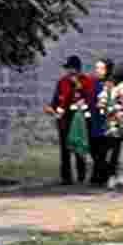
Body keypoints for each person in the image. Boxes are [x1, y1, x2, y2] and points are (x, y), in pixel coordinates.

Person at [43, 55, 93, 185]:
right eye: (68, 69)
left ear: (77, 68)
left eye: (71, 68)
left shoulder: (86, 81)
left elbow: (89, 97)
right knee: (65, 148)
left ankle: (81, 175)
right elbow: (56, 98)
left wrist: (78, 85)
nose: (69, 71)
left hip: (79, 118)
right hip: (64, 119)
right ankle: (66, 177)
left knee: (78, 146)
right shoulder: (62, 82)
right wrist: (51, 107)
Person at [87, 59, 118, 189]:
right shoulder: (93, 83)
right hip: (93, 121)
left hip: (105, 123)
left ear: (107, 70)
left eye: (100, 68)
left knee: (101, 152)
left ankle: (98, 177)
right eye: (96, 68)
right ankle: (107, 174)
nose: (97, 70)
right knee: (94, 150)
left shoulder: (111, 85)